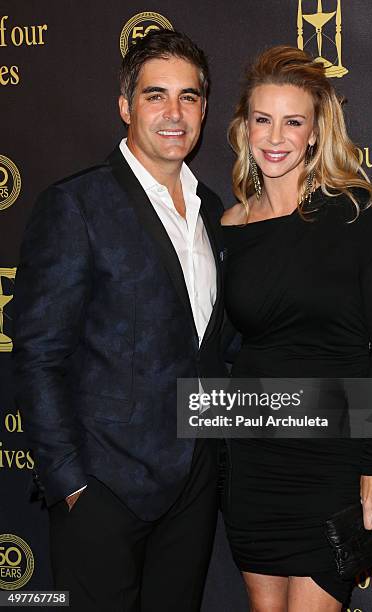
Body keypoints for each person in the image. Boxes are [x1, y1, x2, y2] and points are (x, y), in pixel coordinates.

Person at [13, 30, 227, 612]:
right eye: (156, 96)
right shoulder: (77, 205)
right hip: (103, 488)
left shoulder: (217, 210)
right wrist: (70, 483)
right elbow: (37, 352)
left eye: (189, 97)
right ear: (126, 106)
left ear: (204, 109)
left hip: (193, 487)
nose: (174, 113)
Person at [221, 46, 372, 611]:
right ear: (244, 128)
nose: (276, 136)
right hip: (254, 455)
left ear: (315, 131)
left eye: (293, 121)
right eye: (263, 119)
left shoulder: (356, 211)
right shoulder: (230, 224)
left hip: (333, 458)